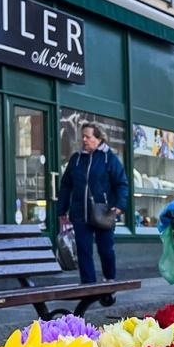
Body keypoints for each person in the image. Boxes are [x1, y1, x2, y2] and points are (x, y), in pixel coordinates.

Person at [57, 122, 128, 284]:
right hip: (80, 212)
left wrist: (119, 206)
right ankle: (88, 285)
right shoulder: (76, 159)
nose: (84, 140)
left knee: (105, 249)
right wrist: (62, 210)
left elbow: (122, 183)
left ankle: (109, 280)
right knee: (83, 251)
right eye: (82, 136)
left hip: (104, 213)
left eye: (88, 137)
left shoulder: (109, 158)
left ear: (98, 139)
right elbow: (66, 185)